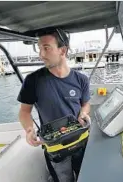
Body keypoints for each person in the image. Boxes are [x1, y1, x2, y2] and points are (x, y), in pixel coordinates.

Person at [17, 27, 91, 182]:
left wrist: (83, 113)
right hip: (55, 147)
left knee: (85, 176)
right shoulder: (32, 81)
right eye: (39, 48)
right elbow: (24, 112)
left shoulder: (81, 79)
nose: (41, 54)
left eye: (46, 48)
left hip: (81, 141)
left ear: (62, 51)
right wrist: (29, 129)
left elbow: (86, 104)